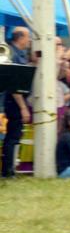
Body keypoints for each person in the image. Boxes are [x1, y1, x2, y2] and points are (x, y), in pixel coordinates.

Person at [2, 27, 33, 177]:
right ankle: (8, 170)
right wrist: (23, 107)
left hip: (14, 102)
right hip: (13, 102)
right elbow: (15, 85)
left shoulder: (20, 54)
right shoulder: (12, 54)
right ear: (20, 38)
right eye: (28, 37)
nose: (30, 40)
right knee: (13, 136)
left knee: (14, 136)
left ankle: (10, 167)